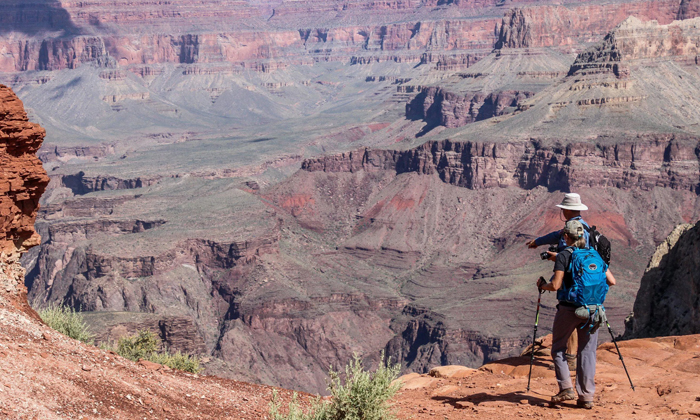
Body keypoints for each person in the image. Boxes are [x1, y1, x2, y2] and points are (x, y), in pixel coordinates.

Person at [536, 220, 616, 409]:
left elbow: (555, 285)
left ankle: (566, 388)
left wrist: (542, 285)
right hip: (593, 310)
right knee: (587, 352)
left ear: (565, 236)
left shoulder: (564, 256)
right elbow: (612, 281)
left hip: (569, 309)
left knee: (558, 348)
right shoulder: (594, 254)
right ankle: (586, 397)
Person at [527, 192, 591, 368]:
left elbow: (571, 257)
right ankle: (575, 357)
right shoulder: (582, 226)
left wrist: (554, 257)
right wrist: (538, 242)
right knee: (577, 315)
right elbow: (557, 235)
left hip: (571, 281)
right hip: (583, 281)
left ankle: (569, 358)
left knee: (569, 314)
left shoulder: (573, 228)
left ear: (567, 210)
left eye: (563, 208)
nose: (562, 210)